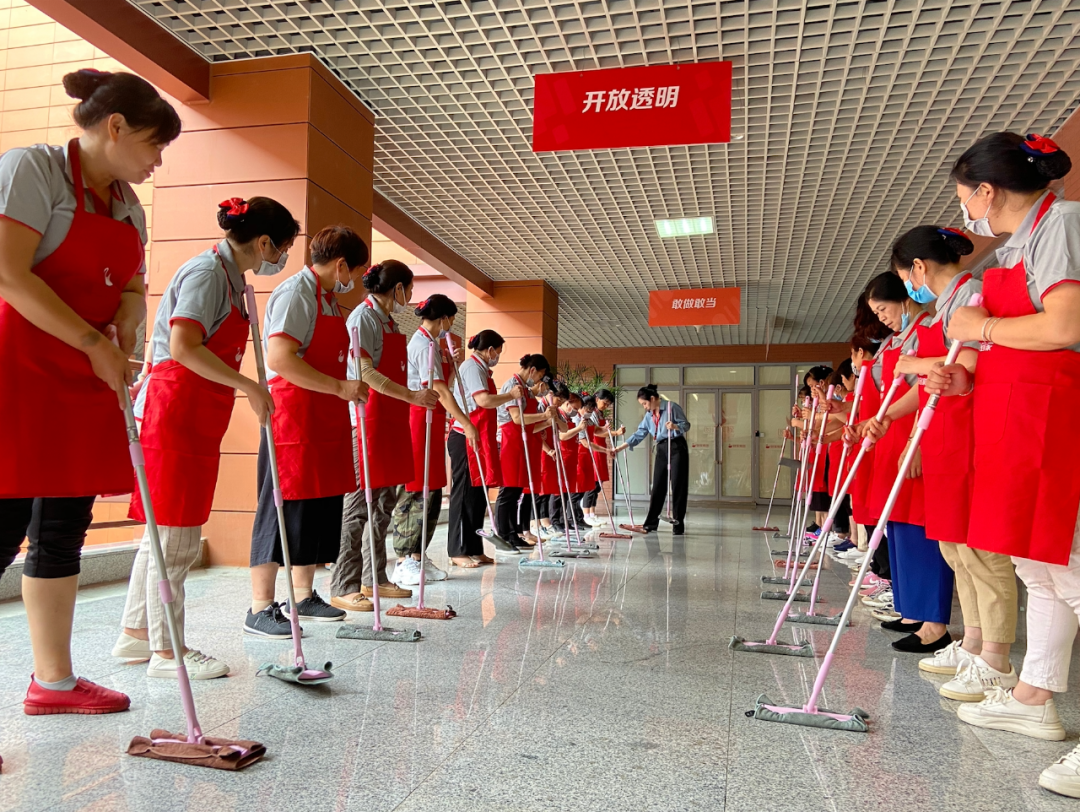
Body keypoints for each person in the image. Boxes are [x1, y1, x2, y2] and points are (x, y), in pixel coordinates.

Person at [0, 69, 179, 715]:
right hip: (17, 373)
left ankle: (52, 683)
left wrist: (126, 322)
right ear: (116, 127)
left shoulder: (127, 204)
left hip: (85, 379)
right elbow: (8, 272)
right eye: (155, 144)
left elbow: (131, 286)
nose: (159, 161)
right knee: (2, 526)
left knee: (61, 530)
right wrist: (90, 341)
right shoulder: (34, 169)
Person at [926, 132, 1080, 797]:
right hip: (1014, 423)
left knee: (1070, 565)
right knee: (1038, 566)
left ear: (987, 191)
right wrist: (960, 375)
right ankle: (1032, 698)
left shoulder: (1063, 224)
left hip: (1059, 422)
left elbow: (1064, 327)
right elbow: (997, 349)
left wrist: (980, 330)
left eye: (965, 198)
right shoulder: (1013, 250)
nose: (966, 211)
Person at [114, 197, 297, 678]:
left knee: (163, 534)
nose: (280, 258)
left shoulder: (232, 279)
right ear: (263, 243)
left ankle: (136, 634)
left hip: (196, 414)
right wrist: (249, 385)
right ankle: (167, 651)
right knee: (175, 536)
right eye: (282, 248)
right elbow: (183, 346)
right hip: (174, 411)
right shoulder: (207, 273)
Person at [887, 224, 1020, 701]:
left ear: (918, 268)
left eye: (904, 278)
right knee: (955, 549)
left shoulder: (973, 297)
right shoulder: (946, 307)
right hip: (946, 434)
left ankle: (995, 659)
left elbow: (975, 367)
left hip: (972, 435)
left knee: (982, 550)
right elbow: (941, 376)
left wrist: (915, 366)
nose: (909, 287)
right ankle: (974, 643)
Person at [245, 225, 370, 637]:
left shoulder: (329, 300)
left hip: (323, 416)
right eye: (356, 271)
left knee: (316, 507)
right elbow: (280, 357)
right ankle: (260, 607)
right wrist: (339, 387)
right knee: (281, 508)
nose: (355, 280)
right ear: (341, 265)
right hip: (293, 418)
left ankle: (302, 595)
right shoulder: (297, 293)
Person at [330, 260, 438, 611]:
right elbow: (366, 373)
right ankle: (344, 584)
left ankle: (373, 577)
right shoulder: (362, 317)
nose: (411, 296)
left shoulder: (388, 321)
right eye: (410, 288)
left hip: (390, 419)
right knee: (358, 505)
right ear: (398, 288)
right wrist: (411, 396)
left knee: (383, 506)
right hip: (366, 420)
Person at [862, 271, 955, 654]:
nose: (882, 318)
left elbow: (930, 390)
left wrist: (917, 442)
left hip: (916, 437)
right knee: (898, 525)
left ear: (903, 298)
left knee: (920, 526)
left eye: (883, 309)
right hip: (894, 439)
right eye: (876, 313)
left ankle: (934, 622)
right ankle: (911, 610)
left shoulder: (929, 329)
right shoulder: (895, 340)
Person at [389, 294, 476, 587]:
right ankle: (404, 561)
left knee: (433, 490)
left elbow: (443, 386)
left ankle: (417, 555)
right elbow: (441, 391)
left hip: (433, 421)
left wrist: (452, 363)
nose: (452, 325)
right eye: (452, 319)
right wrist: (466, 423)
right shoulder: (423, 345)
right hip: (418, 421)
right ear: (444, 319)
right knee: (417, 488)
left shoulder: (435, 346)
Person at [447, 329, 523, 567]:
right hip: (465, 437)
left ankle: (474, 547)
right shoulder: (471, 367)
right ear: (490, 350)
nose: (497, 356)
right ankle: (457, 550)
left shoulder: (482, 369)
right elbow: (483, 400)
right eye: (498, 351)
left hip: (479, 440)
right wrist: (510, 395)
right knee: (463, 496)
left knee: (477, 498)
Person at [494, 354, 556, 549]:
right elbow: (516, 418)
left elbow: (529, 424)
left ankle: (514, 533)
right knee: (508, 489)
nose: (538, 380)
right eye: (540, 375)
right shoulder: (512, 385)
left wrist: (545, 423)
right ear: (532, 370)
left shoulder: (527, 391)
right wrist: (543, 416)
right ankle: (503, 534)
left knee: (517, 490)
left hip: (522, 441)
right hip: (509, 440)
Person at [613, 386, 691, 534]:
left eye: (645, 403)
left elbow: (686, 425)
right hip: (661, 447)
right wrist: (620, 448)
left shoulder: (671, 407)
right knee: (658, 485)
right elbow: (640, 433)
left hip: (676, 446)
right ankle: (651, 523)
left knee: (678, 485)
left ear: (653, 399)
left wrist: (675, 426)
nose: (644, 407)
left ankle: (678, 525)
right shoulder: (649, 416)